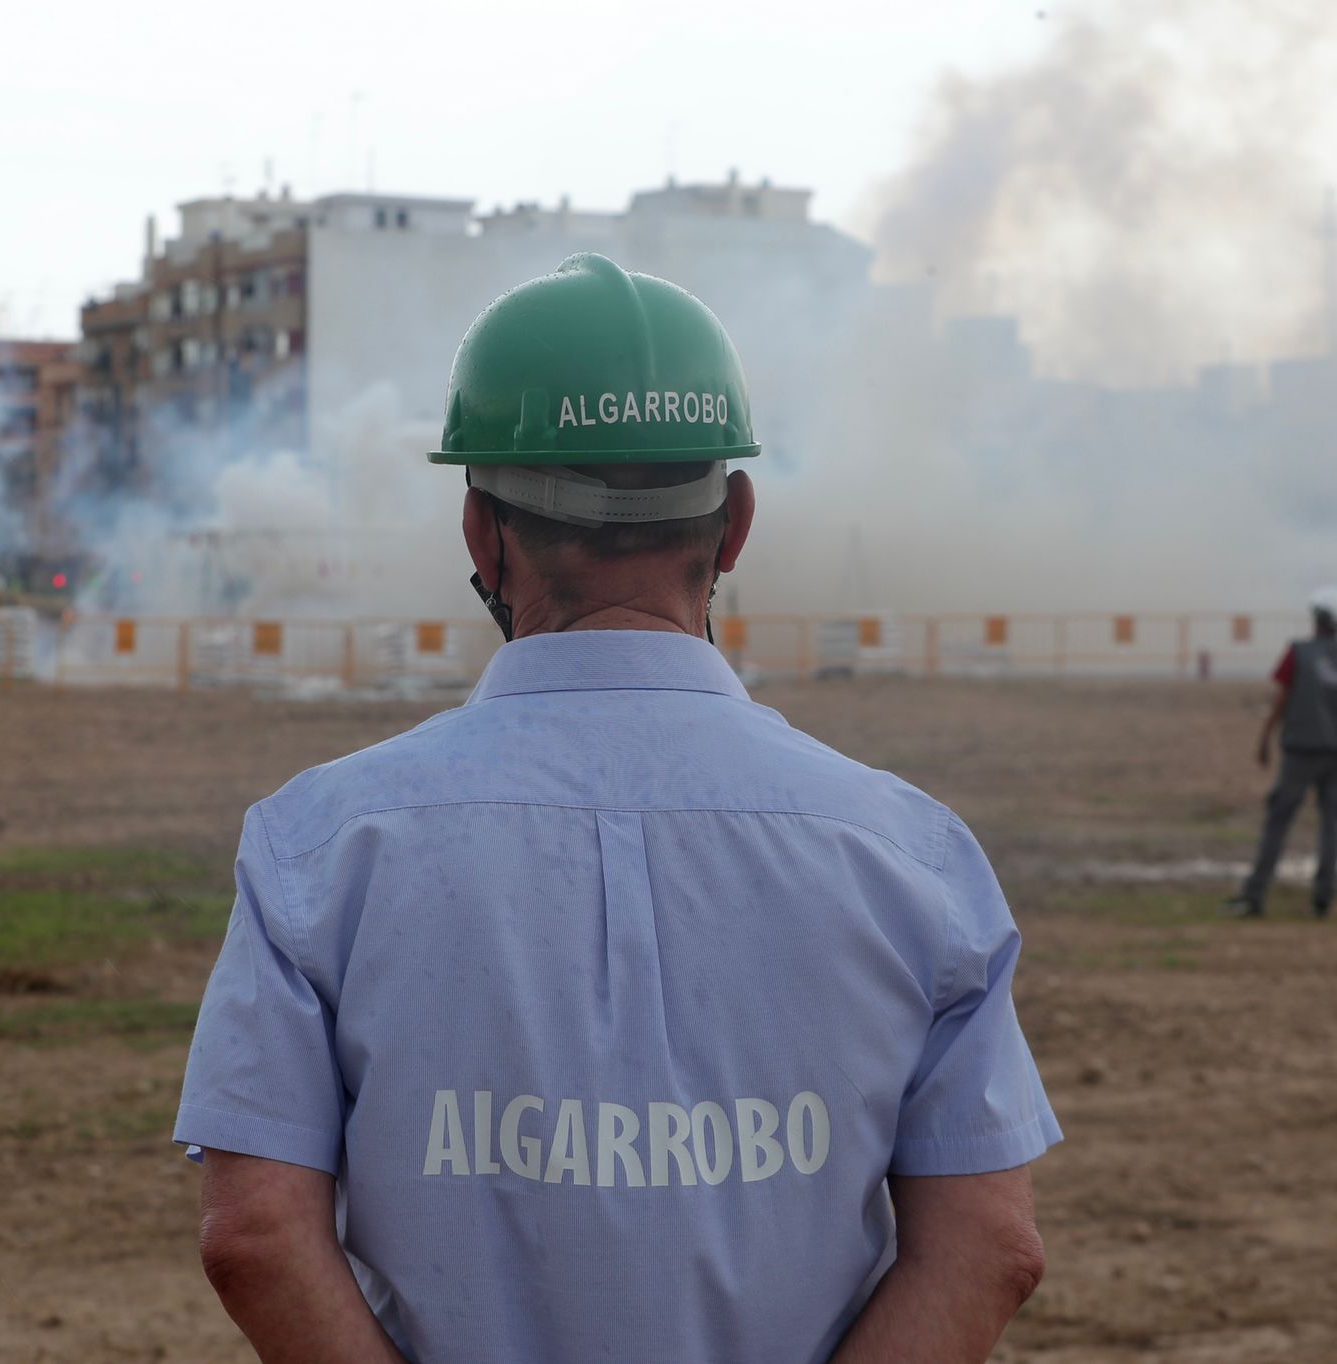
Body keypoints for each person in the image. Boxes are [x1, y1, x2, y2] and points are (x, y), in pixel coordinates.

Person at [173, 253, 1060, 1363]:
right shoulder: (910, 854)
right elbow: (989, 1244)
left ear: (480, 533)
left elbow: (254, 1234)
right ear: (732, 522)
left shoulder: (317, 846)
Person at [1227, 586, 1337, 919]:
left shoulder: (1298, 653)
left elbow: (1281, 700)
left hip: (1299, 752)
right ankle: (1324, 898)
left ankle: (1255, 895)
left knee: (1278, 823)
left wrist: (1265, 738)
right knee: (1332, 826)